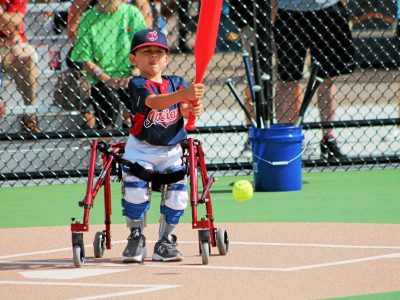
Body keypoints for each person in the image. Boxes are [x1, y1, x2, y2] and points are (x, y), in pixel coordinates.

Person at [121, 29, 204, 262]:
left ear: (166, 59)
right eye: (146, 52)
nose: (153, 57)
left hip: (171, 151)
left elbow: (183, 110)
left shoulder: (176, 83)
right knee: (136, 190)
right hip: (141, 150)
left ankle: (165, 241)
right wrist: (183, 95)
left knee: (177, 195)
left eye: (159, 52)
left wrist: (192, 108)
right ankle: (136, 237)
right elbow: (154, 103)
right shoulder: (137, 83)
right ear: (134, 59)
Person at [272, 0, 355, 159]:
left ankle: (328, 139)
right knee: (288, 80)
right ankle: (285, 141)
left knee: (327, 78)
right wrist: (274, 6)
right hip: (289, 10)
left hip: (327, 9)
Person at [70, 0, 147, 129]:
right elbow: (85, 60)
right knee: (110, 102)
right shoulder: (88, 17)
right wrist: (107, 79)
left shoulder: (132, 13)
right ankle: (105, 141)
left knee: (138, 96)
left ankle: (138, 137)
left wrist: (134, 74)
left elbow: (144, 49)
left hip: (130, 74)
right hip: (99, 77)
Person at [0, 0, 40, 132]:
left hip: (11, 45)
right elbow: (10, 25)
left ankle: (30, 113)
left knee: (25, 56)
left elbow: (15, 22)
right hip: (8, 40)